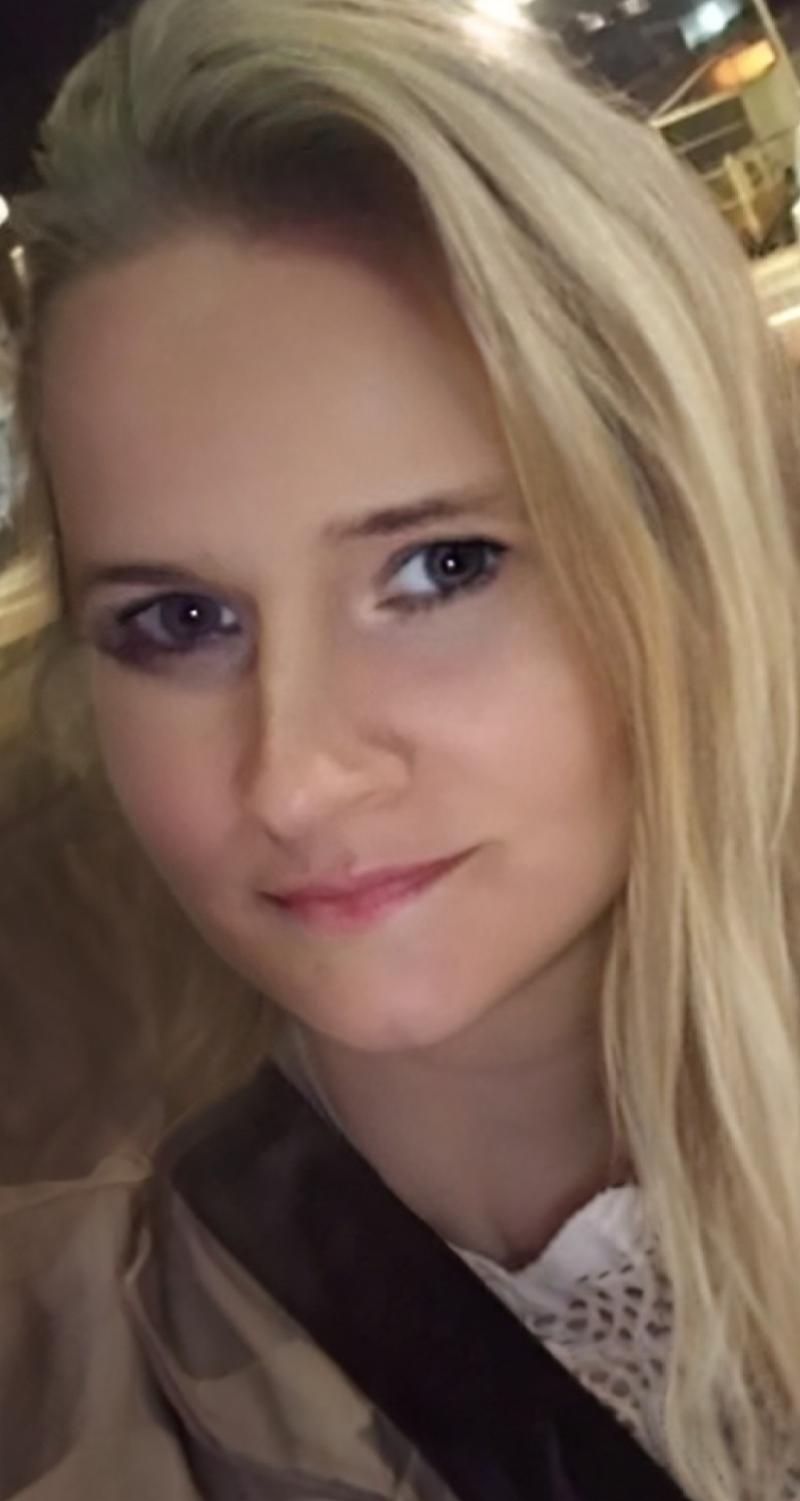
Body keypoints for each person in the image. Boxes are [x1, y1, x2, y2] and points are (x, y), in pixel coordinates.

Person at [2, 0, 799, 1496]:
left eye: (440, 568)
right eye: (180, 619)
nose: (294, 775)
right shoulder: (78, 1389)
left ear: (685, 552)